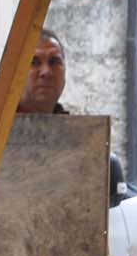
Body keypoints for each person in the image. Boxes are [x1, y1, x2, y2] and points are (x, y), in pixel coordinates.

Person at [17, 27, 128, 205]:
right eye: (34, 62)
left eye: (54, 61)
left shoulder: (78, 140)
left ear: (65, 74)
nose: (45, 71)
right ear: (16, 73)